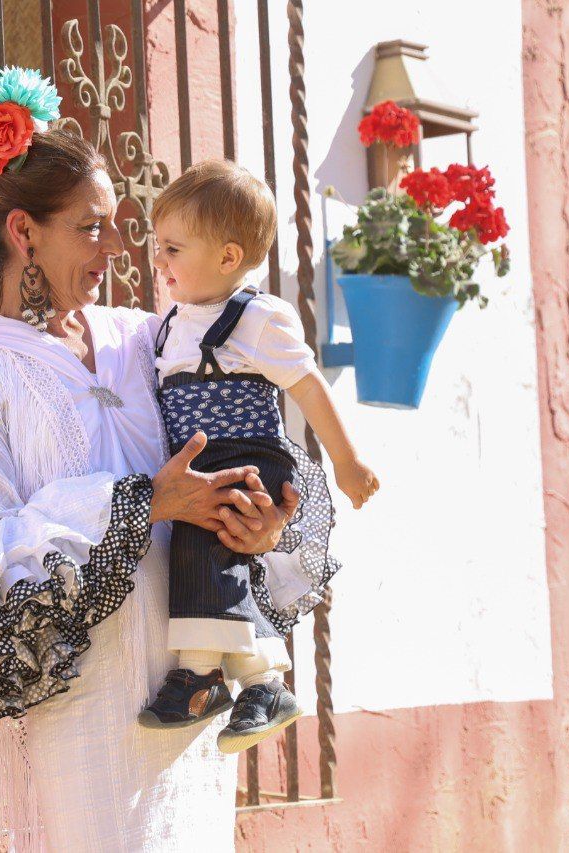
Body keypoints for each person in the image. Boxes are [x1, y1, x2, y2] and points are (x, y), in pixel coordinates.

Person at [0, 67, 326, 852]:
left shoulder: (150, 338)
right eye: (92, 227)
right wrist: (139, 503)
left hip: (188, 698)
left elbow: (243, 448)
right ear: (24, 233)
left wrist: (258, 523)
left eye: (117, 224)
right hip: (79, 712)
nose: (117, 248)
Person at [136, 160, 377, 753]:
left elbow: (307, 385)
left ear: (227, 257)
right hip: (202, 461)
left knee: (206, 537)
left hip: (248, 456)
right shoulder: (168, 326)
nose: (157, 261)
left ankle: (198, 676)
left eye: (172, 248)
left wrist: (346, 463)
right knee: (215, 553)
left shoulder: (258, 317)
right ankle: (262, 682)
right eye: (157, 245)